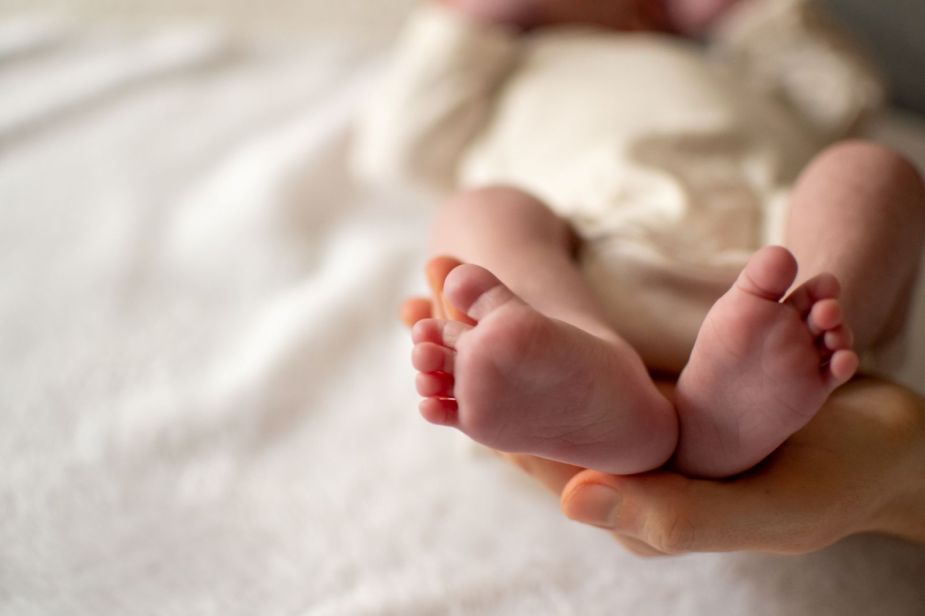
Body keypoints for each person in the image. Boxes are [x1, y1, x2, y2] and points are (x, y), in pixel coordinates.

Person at [356, 0, 925, 481]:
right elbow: (400, 149)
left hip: (780, 263)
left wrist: (747, 16)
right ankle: (584, 373)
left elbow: (844, 98)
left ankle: (746, 398)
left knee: (869, 170)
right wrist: (478, 20)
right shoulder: (507, 66)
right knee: (483, 211)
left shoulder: (728, 60)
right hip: (585, 263)